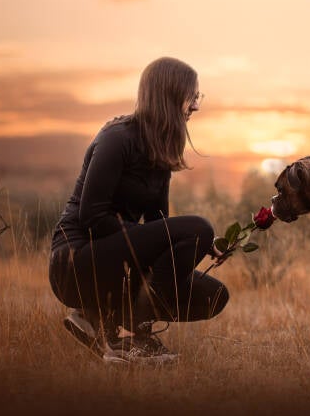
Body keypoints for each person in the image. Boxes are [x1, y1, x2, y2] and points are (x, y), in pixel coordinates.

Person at [48, 57, 229, 365]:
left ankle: (105, 319)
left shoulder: (161, 151)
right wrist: (173, 237)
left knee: (214, 295)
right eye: (192, 96)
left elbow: (157, 223)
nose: (196, 106)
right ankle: (138, 337)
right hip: (75, 263)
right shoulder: (116, 138)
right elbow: (91, 218)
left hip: (118, 264)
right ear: (169, 95)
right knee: (200, 226)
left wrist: (196, 245)